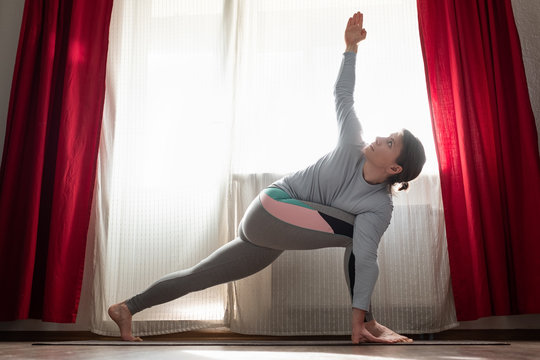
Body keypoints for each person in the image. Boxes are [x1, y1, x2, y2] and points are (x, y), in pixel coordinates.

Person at [108, 11, 426, 344]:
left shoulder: (378, 207)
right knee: (358, 237)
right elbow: (343, 94)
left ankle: (128, 307)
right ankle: (368, 325)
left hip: (272, 233)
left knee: (199, 276)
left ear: (395, 169)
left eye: (389, 143)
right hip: (273, 206)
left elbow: (366, 259)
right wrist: (350, 48)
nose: (378, 138)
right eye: (386, 135)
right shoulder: (351, 143)